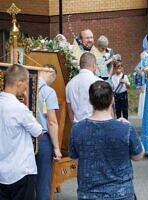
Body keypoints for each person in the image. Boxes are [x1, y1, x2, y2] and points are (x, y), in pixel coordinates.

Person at [69, 80, 144, 200]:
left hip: (89, 194)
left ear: (90, 100)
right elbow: (138, 156)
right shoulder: (125, 128)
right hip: (121, 193)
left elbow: (74, 157)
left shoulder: (77, 129)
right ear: (112, 99)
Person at [0, 64, 43, 200]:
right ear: (19, 82)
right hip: (21, 171)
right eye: (26, 82)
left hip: (2, 172)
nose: (26, 87)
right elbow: (38, 132)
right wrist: (27, 100)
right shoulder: (19, 109)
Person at [35, 64, 62, 200]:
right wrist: (57, 147)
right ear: (51, 74)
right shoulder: (48, 91)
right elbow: (52, 121)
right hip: (42, 138)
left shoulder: (24, 85)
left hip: (23, 138)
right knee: (43, 178)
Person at [66, 52, 102, 123]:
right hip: (96, 124)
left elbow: (70, 110)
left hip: (78, 125)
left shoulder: (70, 84)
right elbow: (107, 108)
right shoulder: (99, 82)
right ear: (94, 66)